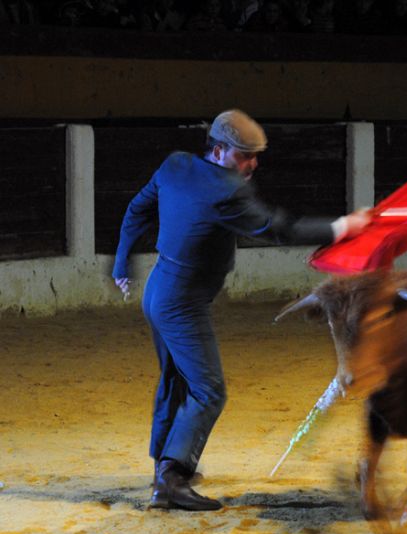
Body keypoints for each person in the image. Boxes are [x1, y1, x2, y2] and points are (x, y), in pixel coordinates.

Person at [112, 109, 370, 511]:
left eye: (255, 155)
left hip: (158, 292)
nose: (252, 164)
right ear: (218, 151)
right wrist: (342, 227)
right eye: (244, 155)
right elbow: (280, 228)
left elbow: (136, 209)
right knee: (209, 389)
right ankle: (171, 480)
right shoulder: (226, 190)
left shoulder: (176, 165)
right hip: (182, 303)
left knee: (177, 381)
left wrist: (121, 264)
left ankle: (165, 467)